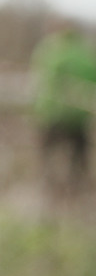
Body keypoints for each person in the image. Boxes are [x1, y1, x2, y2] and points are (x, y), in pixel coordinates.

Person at [31, 17, 95, 195]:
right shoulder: (85, 53)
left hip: (52, 115)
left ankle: (49, 192)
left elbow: (43, 82)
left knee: (47, 157)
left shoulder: (50, 50)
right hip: (78, 116)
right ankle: (78, 194)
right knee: (79, 159)